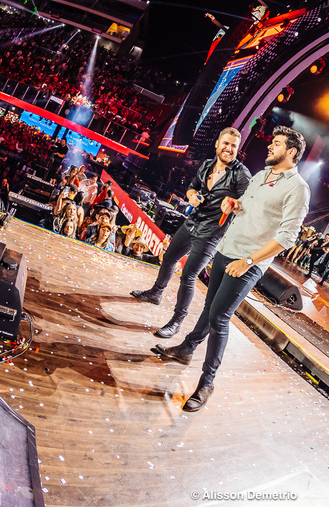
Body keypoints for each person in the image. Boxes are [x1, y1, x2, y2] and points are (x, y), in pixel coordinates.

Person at [152, 126, 310, 412]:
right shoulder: (261, 176)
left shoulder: (297, 188)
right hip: (226, 251)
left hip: (247, 262)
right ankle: (186, 349)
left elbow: (287, 237)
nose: (270, 146)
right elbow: (246, 210)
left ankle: (206, 383)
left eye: (276, 144)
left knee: (219, 318)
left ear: (291, 152)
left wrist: (248, 262)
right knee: (210, 307)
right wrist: (235, 204)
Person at [130, 128, 251, 338]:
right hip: (192, 222)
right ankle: (156, 292)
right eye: (226, 143)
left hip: (212, 232)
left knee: (188, 275)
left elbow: (247, 204)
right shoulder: (207, 165)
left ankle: (177, 321)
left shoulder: (241, 174)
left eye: (233, 146)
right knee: (169, 258)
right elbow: (192, 188)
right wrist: (192, 196)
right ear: (217, 144)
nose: (229, 149)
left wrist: (235, 204)